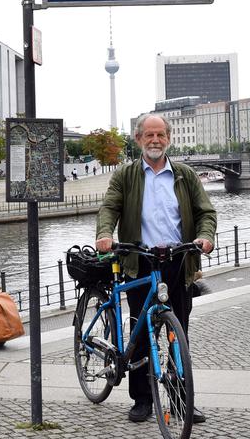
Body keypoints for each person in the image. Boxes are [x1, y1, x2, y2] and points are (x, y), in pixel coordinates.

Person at [95, 113, 216, 424]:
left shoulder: (185, 175)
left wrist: (205, 236)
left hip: (179, 261)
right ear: (138, 139)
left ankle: (180, 401)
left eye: (160, 135)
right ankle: (143, 400)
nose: (155, 140)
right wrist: (105, 233)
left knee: (179, 335)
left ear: (169, 138)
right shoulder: (126, 175)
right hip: (140, 262)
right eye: (149, 135)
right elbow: (110, 206)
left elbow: (205, 211)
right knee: (141, 334)